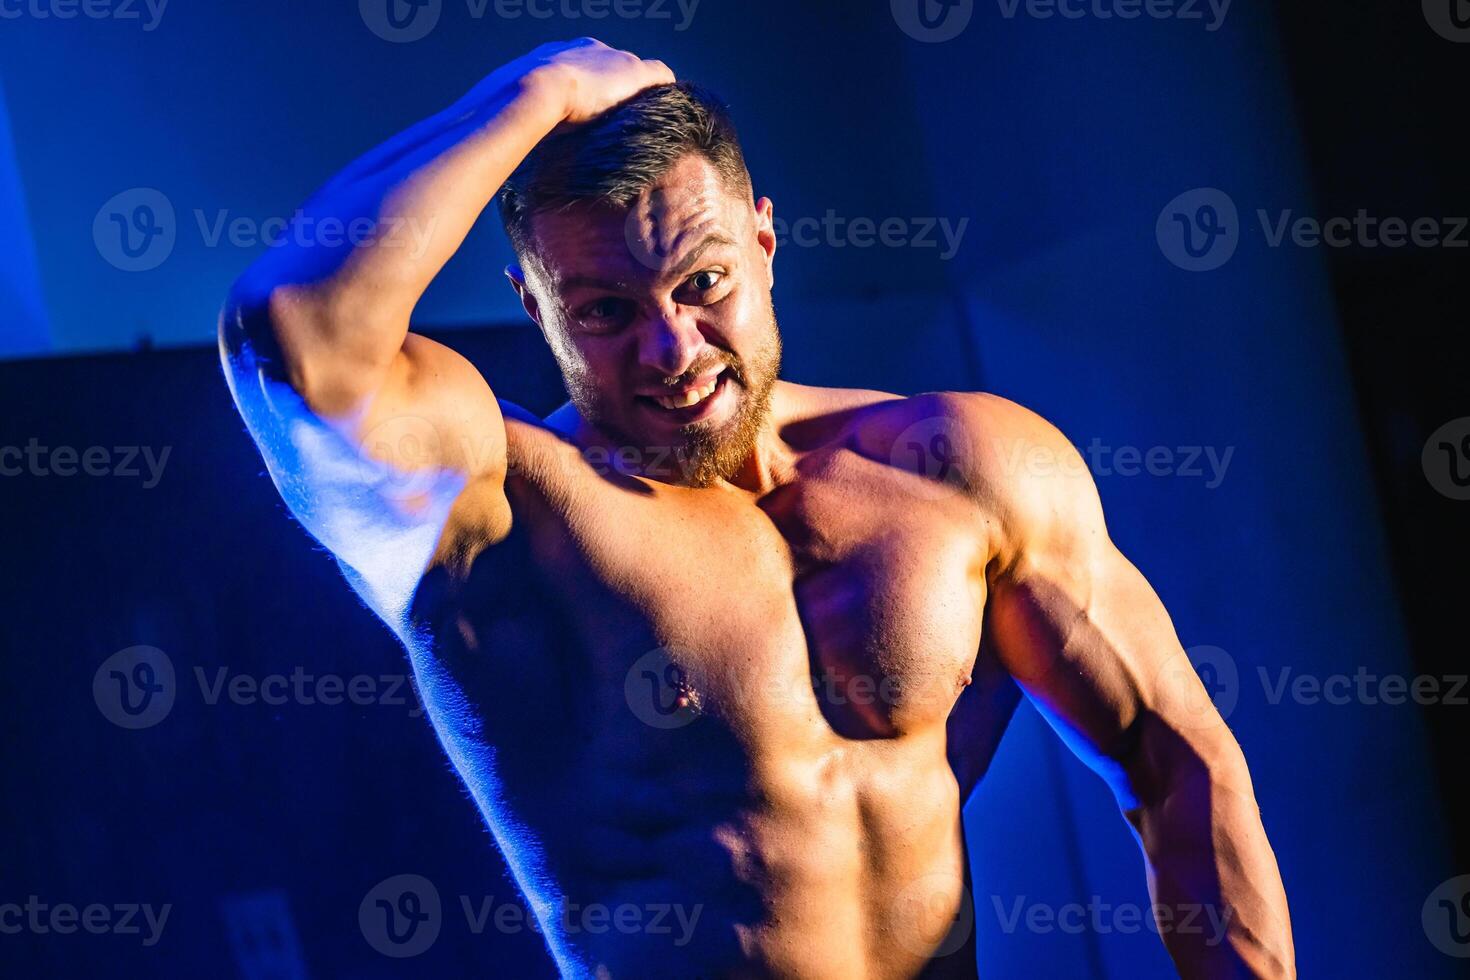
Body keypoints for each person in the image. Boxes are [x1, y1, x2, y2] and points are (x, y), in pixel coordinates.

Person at [218, 37, 1294, 978]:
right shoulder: (508, 515)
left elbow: (1176, 759)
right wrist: (536, 96)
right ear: (534, 307)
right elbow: (296, 334)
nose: (672, 349)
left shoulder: (961, 468)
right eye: (602, 311)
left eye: (702, 284)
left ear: (765, 244)